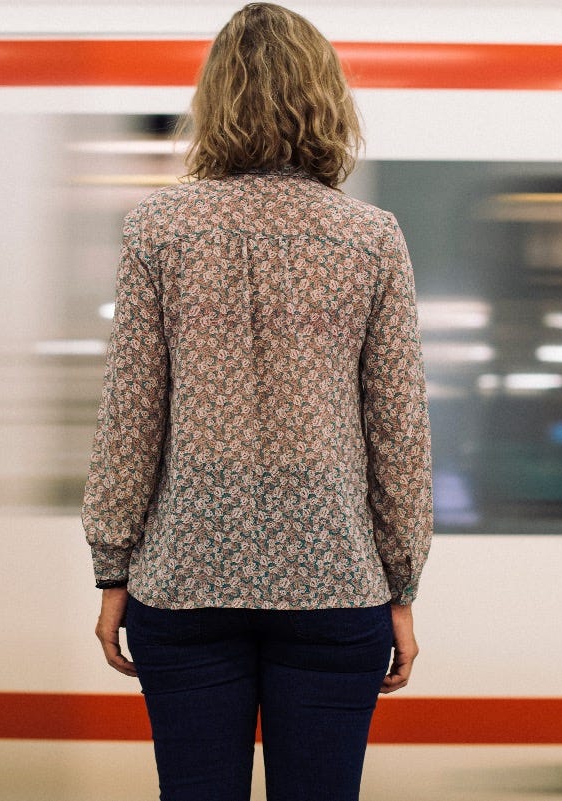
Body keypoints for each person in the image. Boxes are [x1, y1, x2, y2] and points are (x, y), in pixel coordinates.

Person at [81, 4, 432, 800]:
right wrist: (401, 589)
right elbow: (400, 432)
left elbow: (130, 416)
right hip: (335, 581)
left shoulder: (157, 230)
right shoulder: (372, 238)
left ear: (215, 102)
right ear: (327, 100)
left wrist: (113, 569)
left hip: (185, 577)